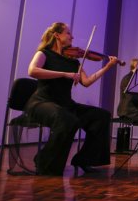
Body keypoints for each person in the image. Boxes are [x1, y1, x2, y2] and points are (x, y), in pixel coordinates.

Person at [25, 22, 118, 176]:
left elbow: (86, 82)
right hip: (42, 102)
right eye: (68, 33)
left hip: (65, 104)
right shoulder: (44, 53)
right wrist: (64, 74)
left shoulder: (73, 61)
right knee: (67, 120)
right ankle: (43, 161)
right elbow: (32, 71)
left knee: (101, 116)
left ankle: (85, 159)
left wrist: (107, 67)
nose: (72, 36)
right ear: (56, 35)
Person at [116, 58, 138, 151]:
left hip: (136, 109)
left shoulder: (137, 78)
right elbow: (131, 98)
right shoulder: (128, 78)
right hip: (128, 110)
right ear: (136, 66)